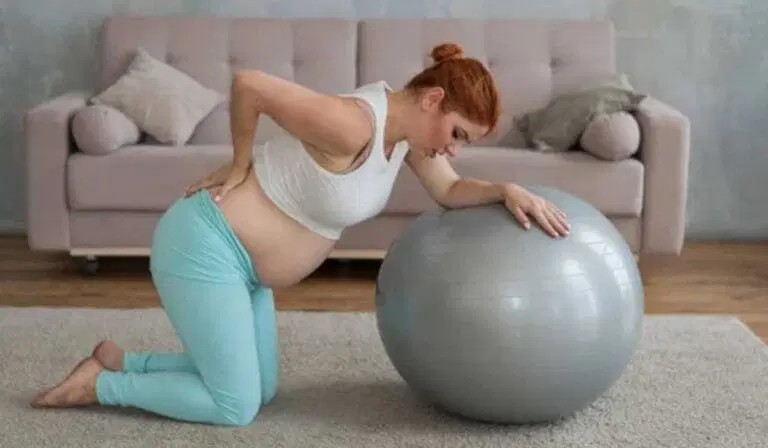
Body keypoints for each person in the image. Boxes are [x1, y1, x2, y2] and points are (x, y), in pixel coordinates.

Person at [30, 43, 570, 425]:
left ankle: (129, 361)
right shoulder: (355, 123)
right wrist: (240, 161)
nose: (453, 149)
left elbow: (450, 191)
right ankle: (100, 386)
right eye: (457, 134)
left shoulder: (404, 141)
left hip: (247, 271)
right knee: (234, 407)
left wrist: (507, 190)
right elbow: (251, 85)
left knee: (261, 391)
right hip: (206, 246)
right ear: (432, 101)